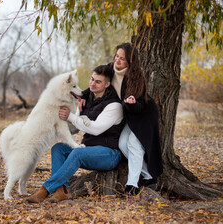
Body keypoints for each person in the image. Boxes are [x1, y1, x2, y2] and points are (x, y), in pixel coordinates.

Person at [26, 65, 125, 203]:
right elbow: (75, 127)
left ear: (107, 84)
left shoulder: (114, 106)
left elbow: (95, 129)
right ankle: (62, 191)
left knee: (77, 153)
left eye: (98, 82)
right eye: (92, 79)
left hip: (109, 154)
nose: (92, 83)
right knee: (58, 148)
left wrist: (70, 116)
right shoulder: (85, 99)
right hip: (88, 149)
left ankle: (45, 189)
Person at [80, 43, 163, 196]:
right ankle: (149, 175)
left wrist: (131, 104)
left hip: (143, 116)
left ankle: (131, 185)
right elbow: (95, 83)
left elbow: (139, 106)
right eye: (117, 56)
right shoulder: (110, 69)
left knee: (133, 143)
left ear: (130, 61)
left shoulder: (136, 77)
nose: (117, 60)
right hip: (129, 118)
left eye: (122, 59)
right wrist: (83, 96)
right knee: (122, 144)